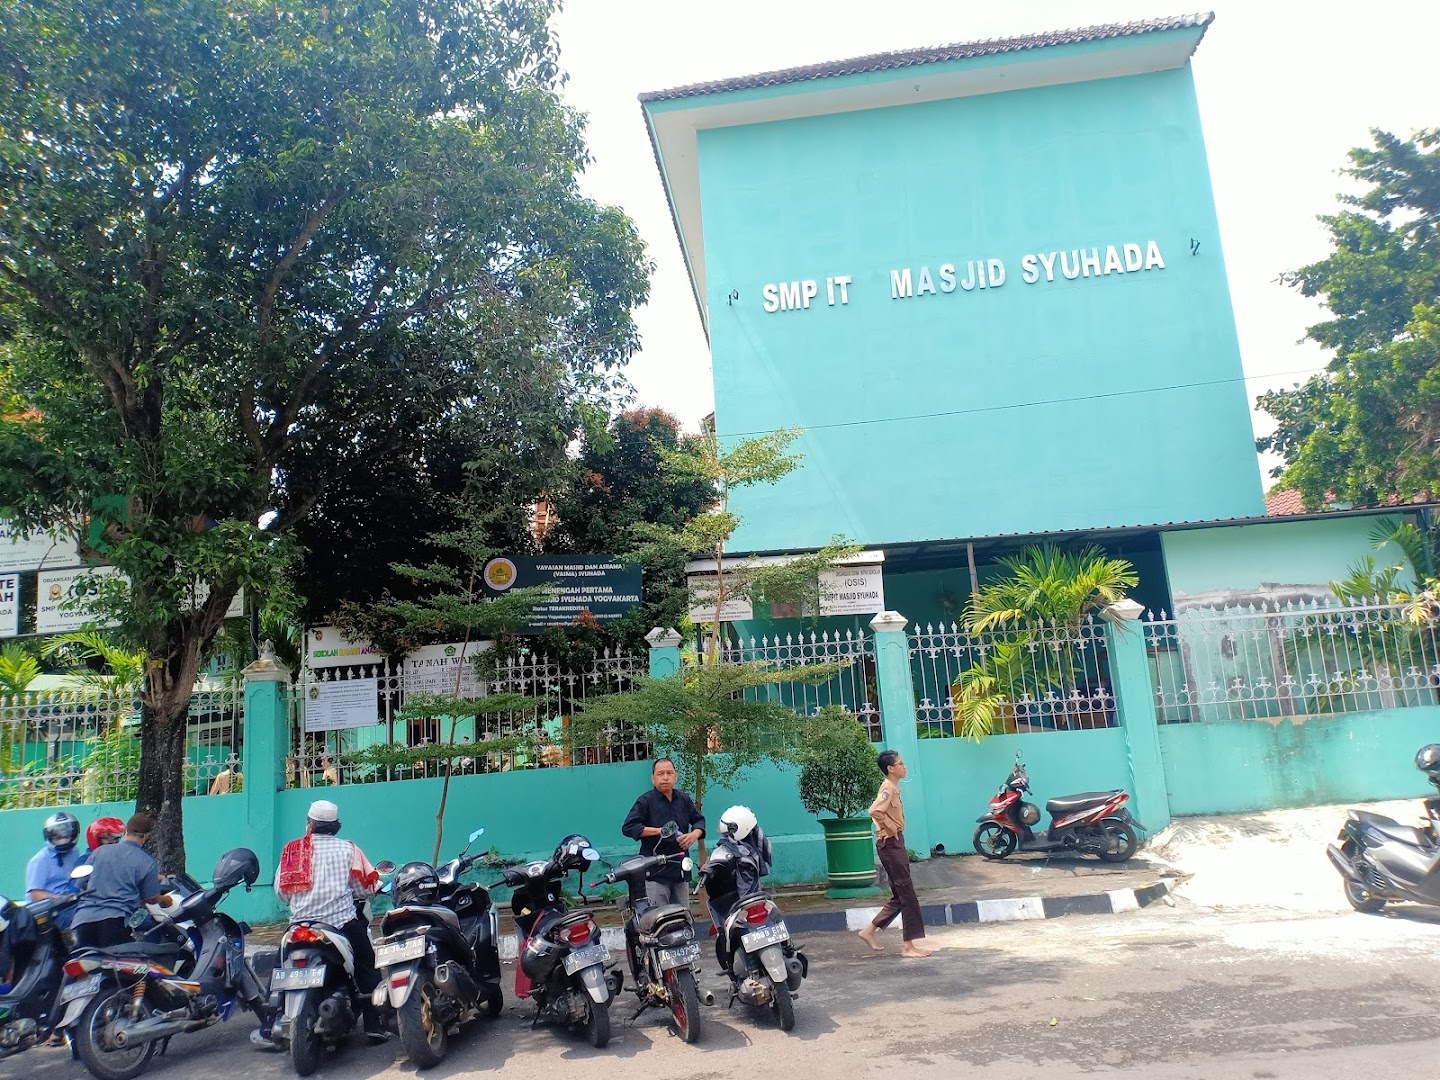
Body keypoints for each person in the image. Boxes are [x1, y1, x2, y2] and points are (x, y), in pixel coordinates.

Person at [274, 800, 384, 1041]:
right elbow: (363, 887)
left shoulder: (293, 850)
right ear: (335, 825)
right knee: (367, 963)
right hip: (339, 924)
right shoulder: (348, 850)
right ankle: (374, 1024)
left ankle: (272, 1021)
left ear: (309, 824)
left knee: (279, 967)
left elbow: (282, 892)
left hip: (299, 926)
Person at [858, 750, 932, 959]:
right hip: (890, 844)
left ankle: (869, 931)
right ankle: (908, 947)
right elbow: (875, 811)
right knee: (906, 893)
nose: (904, 766)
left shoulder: (893, 788)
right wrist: (891, 828)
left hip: (894, 843)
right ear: (891, 768)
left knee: (902, 894)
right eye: (900, 763)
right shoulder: (888, 789)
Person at [70, 813, 167, 950]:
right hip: (115, 921)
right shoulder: (146, 862)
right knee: (117, 968)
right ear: (146, 836)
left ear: (125, 831)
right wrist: (165, 900)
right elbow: (151, 898)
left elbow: (81, 884)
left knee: (82, 965)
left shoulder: (99, 852)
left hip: (83, 920)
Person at [621, 757, 705, 907]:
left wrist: (694, 835)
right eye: (660, 774)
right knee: (660, 919)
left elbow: (699, 820)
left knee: (683, 916)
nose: (665, 777)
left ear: (675, 776)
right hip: (655, 872)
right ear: (653, 778)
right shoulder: (645, 801)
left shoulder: (683, 799)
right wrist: (659, 831)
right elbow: (628, 827)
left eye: (669, 773)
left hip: (680, 868)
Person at [25, 811, 83, 904]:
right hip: (50, 908)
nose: (63, 840)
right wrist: (63, 899)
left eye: (67, 835)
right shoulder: (40, 860)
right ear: (49, 836)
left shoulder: (74, 852)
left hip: (71, 901)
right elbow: (35, 894)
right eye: (57, 837)